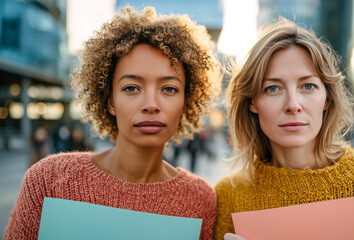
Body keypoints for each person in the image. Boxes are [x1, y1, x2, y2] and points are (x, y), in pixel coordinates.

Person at [5, 6, 219, 240]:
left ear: (185, 102)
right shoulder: (49, 180)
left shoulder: (201, 199)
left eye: (169, 89)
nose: (151, 104)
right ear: (111, 102)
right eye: (131, 88)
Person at [214, 18, 354, 240]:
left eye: (308, 86)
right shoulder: (228, 196)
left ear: (326, 99)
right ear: (252, 102)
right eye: (273, 88)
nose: (293, 105)